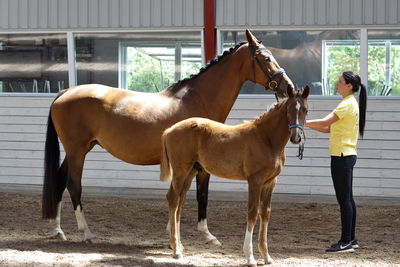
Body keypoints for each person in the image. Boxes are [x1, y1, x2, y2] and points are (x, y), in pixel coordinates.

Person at [304, 71, 367, 253]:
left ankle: (346, 241)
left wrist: (301, 122)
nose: (337, 84)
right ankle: (351, 239)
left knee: (344, 200)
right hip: (346, 154)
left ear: (349, 86)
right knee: (348, 199)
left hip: (342, 156)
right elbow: (329, 128)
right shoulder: (350, 103)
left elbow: (325, 122)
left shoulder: (346, 104)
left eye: (340, 82)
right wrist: (305, 125)